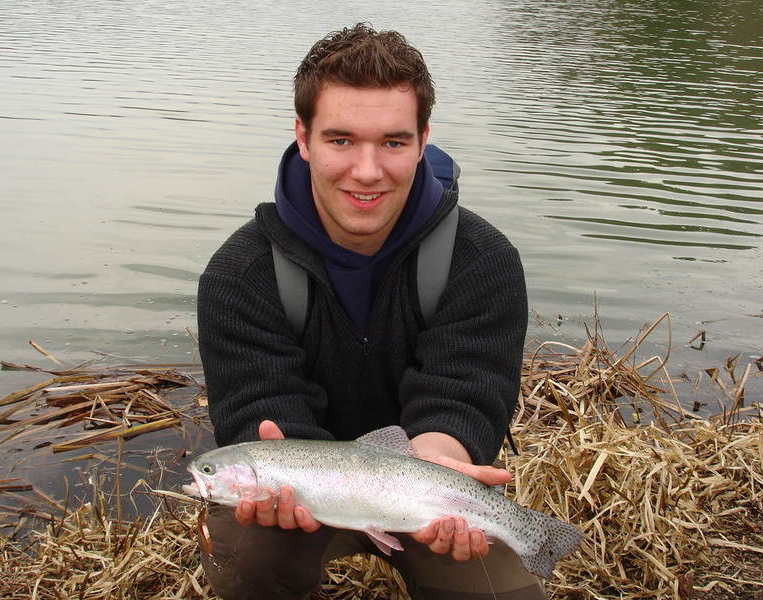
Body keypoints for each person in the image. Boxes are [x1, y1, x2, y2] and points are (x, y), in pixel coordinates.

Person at [197, 23, 538, 600]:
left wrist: (444, 457)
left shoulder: (484, 261)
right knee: (247, 556)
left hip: (423, 492)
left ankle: (527, 541)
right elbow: (258, 408)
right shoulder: (239, 274)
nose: (367, 171)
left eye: (393, 142)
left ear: (423, 139)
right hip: (297, 499)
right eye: (341, 140)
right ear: (302, 138)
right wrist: (283, 473)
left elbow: (466, 394)